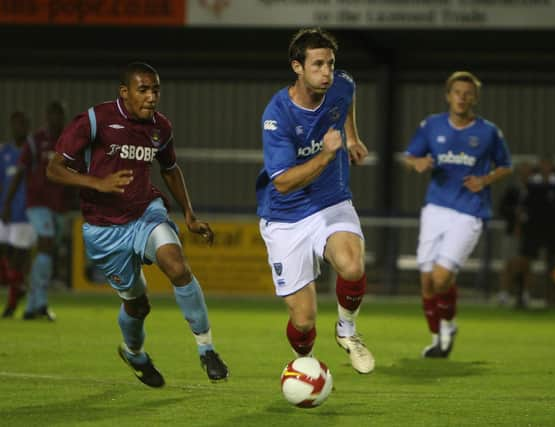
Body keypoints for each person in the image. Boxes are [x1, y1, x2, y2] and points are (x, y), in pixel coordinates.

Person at [46, 61, 229, 387]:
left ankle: (207, 349)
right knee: (137, 304)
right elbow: (55, 169)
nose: (151, 97)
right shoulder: (95, 120)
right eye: (143, 89)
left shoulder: (161, 127)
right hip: (104, 228)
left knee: (177, 266)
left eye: (155, 89)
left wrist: (188, 213)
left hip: (146, 212)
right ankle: (135, 354)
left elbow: (170, 168)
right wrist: (96, 183)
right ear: (125, 92)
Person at [255, 28, 375, 374]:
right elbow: (283, 184)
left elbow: (346, 99)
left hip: (330, 199)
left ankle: (347, 330)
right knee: (304, 321)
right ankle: (306, 364)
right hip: (284, 215)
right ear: (298, 67)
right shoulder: (277, 116)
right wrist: (325, 155)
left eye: (331, 64)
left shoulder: (341, 85)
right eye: (318, 64)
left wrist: (351, 137)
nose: (327, 72)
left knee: (352, 265)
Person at [403, 71, 512, 358]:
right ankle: (438, 338)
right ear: (448, 96)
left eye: (467, 93)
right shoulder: (431, 125)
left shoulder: (488, 132)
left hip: (469, 212)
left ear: (475, 98)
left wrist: (484, 180)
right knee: (426, 280)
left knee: (441, 278)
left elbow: (506, 165)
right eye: (457, 92)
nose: (462, 98)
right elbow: (409, 157)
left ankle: (448, 324)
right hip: (435, 208)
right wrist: (417, 164)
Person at [2, 101, 70, 321]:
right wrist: (7, 203)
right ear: (47, 117)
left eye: (60, 115)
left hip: (58, 205)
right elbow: (20, 173)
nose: (57, 119)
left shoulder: (69, 142)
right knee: (45, 243)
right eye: (53, 114)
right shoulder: (35, 141)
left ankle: (32, 305)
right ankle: (38, 301)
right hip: (37, 204)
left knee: (47, 253)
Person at [516, 154, 555, 307]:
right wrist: (519, 227)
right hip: (533, 229)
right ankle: (524, 295)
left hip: (554, 229)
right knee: (526, 262)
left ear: (552, 167)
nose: (545, 168)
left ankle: (553, 299)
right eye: (543, 164)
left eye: (548, 165)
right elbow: (521, 209)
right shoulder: (531, 184)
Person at [1, 112, 36, 317]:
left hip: (25, 212)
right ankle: (19, 285)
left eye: (23, 124)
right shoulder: (4, 151)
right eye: (16, 124)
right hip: (4, 211)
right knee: (6, 257)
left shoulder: (32, 150)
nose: (19, 128)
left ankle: (12, 303)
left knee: (17, 259)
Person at [496, 160, 532, 307]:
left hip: (529, 233)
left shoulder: (535, 190)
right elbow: (501, 209)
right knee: (509, 263)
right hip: (511, 232)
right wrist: (514, 214)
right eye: (523, 172)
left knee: (527, 264)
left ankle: (525, 294)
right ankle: (504, 293)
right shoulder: (512, 190)